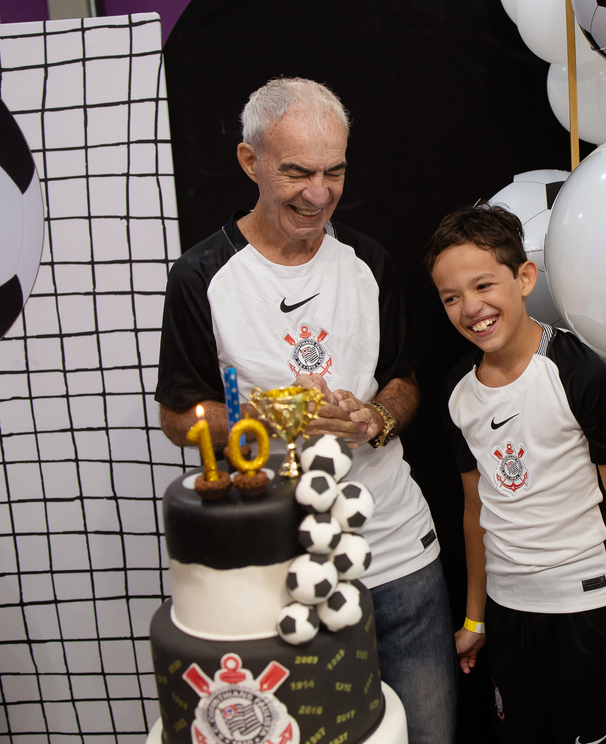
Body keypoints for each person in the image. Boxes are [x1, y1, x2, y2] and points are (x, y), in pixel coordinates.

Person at [154, 77, 456, 742]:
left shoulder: (369, 262)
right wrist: (263, 418)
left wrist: (374, 418)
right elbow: (178, 418)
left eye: (333, 172)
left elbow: (403, 382)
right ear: (250, 161)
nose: (318, 194)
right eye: (296, 172)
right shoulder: (202, 277)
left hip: (397, 550)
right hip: (282, 569)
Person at [426, 204, 606, 743]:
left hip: (588, 606)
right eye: (450, 297)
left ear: (525, 278)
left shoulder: (579, 374)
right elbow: (475, 510)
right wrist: (476, 618)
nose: (470, 308)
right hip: (508, 610)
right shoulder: (458, 391)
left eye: (483, 285)